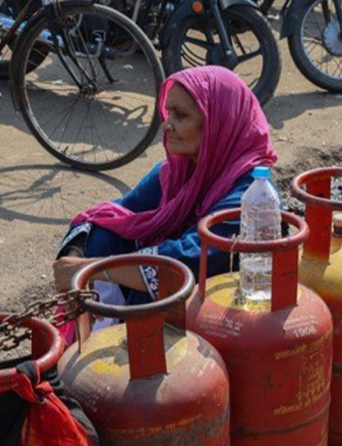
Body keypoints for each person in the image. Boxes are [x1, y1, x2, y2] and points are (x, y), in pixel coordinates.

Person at [52, 66, 278, 306]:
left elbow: (188, 258)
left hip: (217, 309)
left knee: (151, 289)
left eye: (180, 116)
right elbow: (113, 214)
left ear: (218, 122)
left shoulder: (252, 193)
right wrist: (74, 258)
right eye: (168, 113)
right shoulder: (177, 171)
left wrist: (91, 269)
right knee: (104, 234)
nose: (167, 125)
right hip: (173, 293)